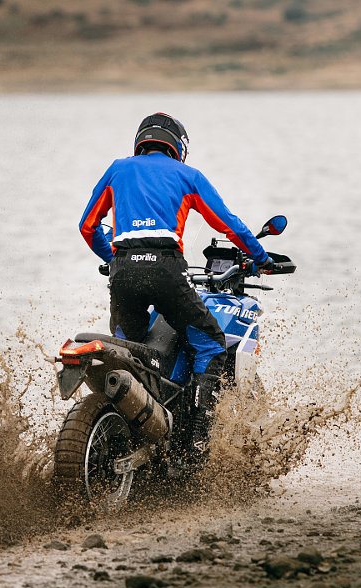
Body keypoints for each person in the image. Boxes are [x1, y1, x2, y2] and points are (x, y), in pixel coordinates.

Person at [77, 112, 273, 453]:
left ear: (141, 142)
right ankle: (196, 439)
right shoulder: (188, 175)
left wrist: (115, 259)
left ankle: (130, 422)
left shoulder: (117, 169)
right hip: (167, 268)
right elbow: (230, 225)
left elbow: (88, 227)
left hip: (124, 272)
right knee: (210, 342)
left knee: (129, 346)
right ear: (179, 147)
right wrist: (260, 258)